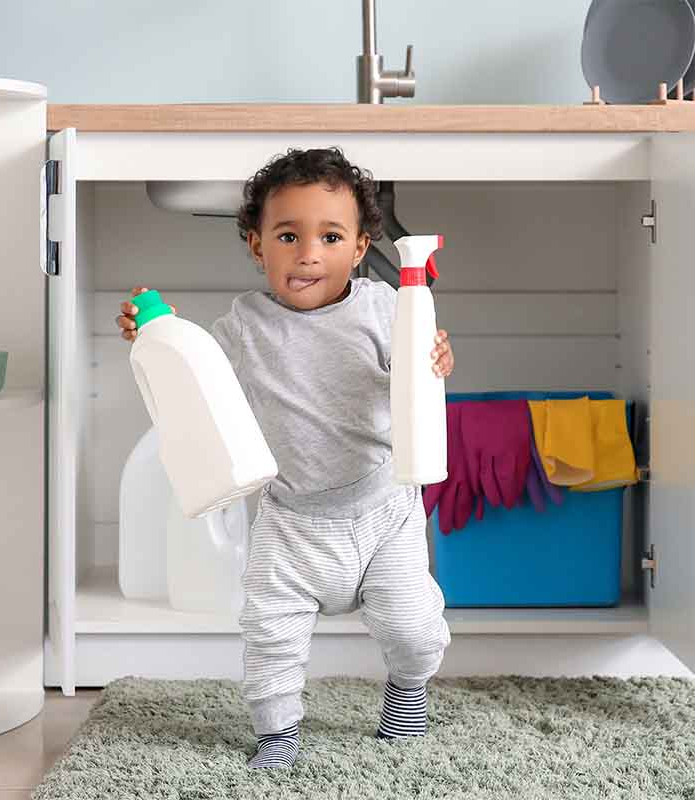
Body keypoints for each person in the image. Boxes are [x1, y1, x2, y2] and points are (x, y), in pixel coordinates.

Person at [116, 147, 454, 769]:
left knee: (413, 627)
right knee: (269, 635)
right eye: (288, 235)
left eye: (330, 236)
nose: (309, 254)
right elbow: (195, 376)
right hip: (291, 520)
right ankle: (278, 736)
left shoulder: (386, 307)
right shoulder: (245, 326)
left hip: (384, 512)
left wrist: (436, 361)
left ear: (358, 249)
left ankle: (406, 695)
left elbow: (419, 378)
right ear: (256, 244)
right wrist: (156, 331)